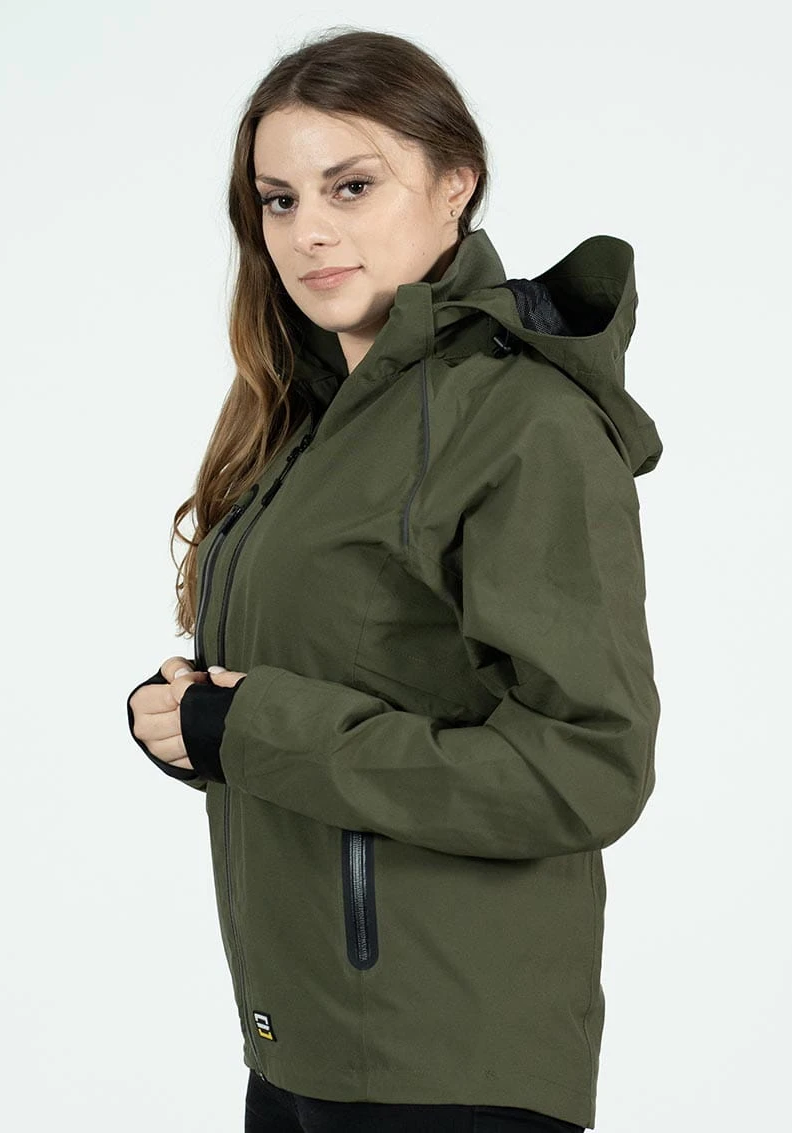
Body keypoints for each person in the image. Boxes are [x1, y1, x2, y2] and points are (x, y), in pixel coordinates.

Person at [125, 26, 662, 1133]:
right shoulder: (306, 425)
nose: (308, 230)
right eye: (278, 201)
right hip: (302, 1043)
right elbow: (338, 694)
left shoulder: (524, 421)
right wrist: (198, 720)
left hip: (446, 1064)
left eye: (351, 186)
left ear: (456, 182)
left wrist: (255, 726)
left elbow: (585, 769)